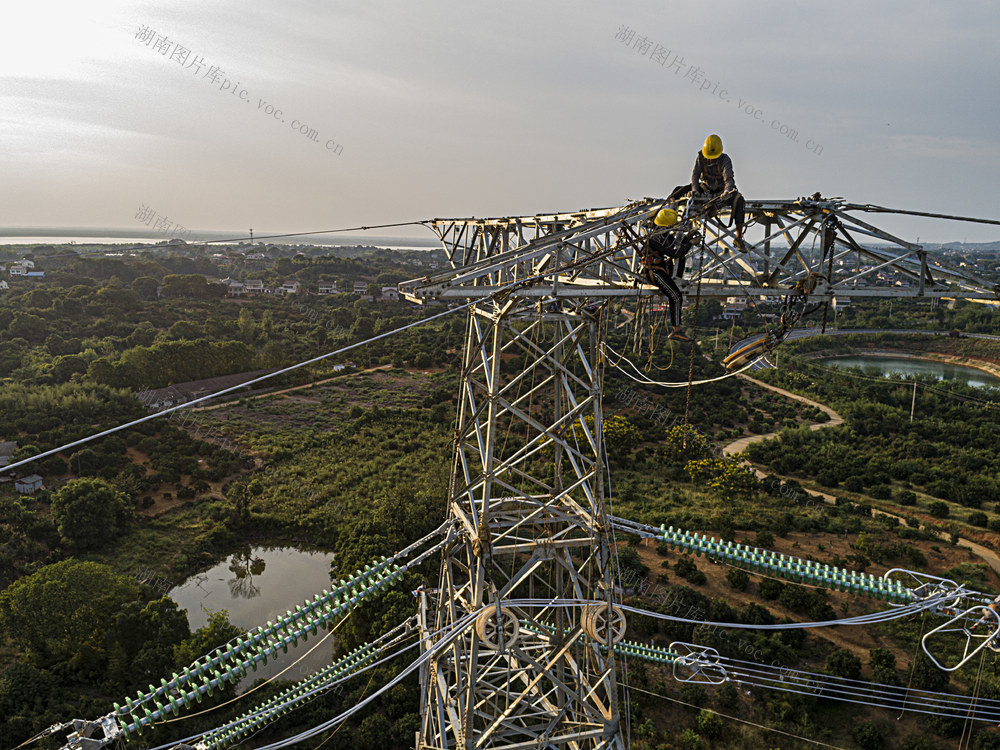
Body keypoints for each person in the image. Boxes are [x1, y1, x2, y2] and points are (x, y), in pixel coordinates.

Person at [670, 134, 748, 252]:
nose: (710, 160)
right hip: (705, 187)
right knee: (678, 190)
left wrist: (727, 192)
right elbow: (695, 176)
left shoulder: (725, 160)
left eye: (713, 158)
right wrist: (695, 191)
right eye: (709, 158)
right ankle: (667, 221)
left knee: (739, 200)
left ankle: (739, 238)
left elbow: (729, 179)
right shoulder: (701, 157)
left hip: (721, 191)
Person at [641, 208, 695, 341]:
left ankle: (677, 279)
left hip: (661, 268)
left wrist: (687, 238)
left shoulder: (665, 236)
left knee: (676, 294)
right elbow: (675, 253)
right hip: (654, 271)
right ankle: (676, 331)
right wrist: (691, 244)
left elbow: (677, 247)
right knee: (675, 296)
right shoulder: (654, 238)